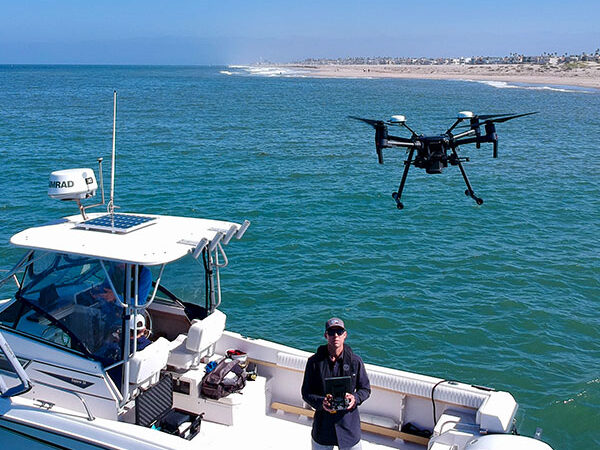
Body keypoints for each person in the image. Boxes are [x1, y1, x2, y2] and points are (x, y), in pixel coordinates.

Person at [301, 318, 371, 450]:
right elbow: (306, 393)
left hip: (349, 427)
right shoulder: (314, 362)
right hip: (323, 427)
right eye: (332, 333)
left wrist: (354, 398)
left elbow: (365, 389)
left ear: (345, 335)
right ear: (326, 335)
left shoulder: (355, 362)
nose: (336, 336)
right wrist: (322, 402)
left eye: (339, 332)